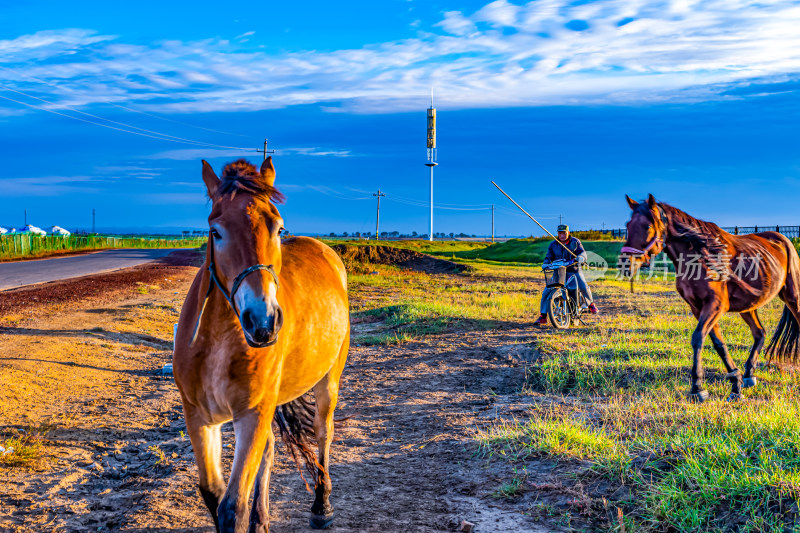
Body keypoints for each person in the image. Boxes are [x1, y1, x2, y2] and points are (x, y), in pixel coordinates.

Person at [535, 224, 598, 325]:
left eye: (564, 233)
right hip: (558, 271)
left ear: (568, 233)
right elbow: (549, 257)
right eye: (560, 233)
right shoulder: (553, 244)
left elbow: (582, 252)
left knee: (582, 285)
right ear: (558, 234)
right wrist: (546, 263)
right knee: (546, 291)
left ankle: (590, 304)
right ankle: (543, 316)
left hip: (574, 270)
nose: (562, 235)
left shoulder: (575, 242)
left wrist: (581, 257)